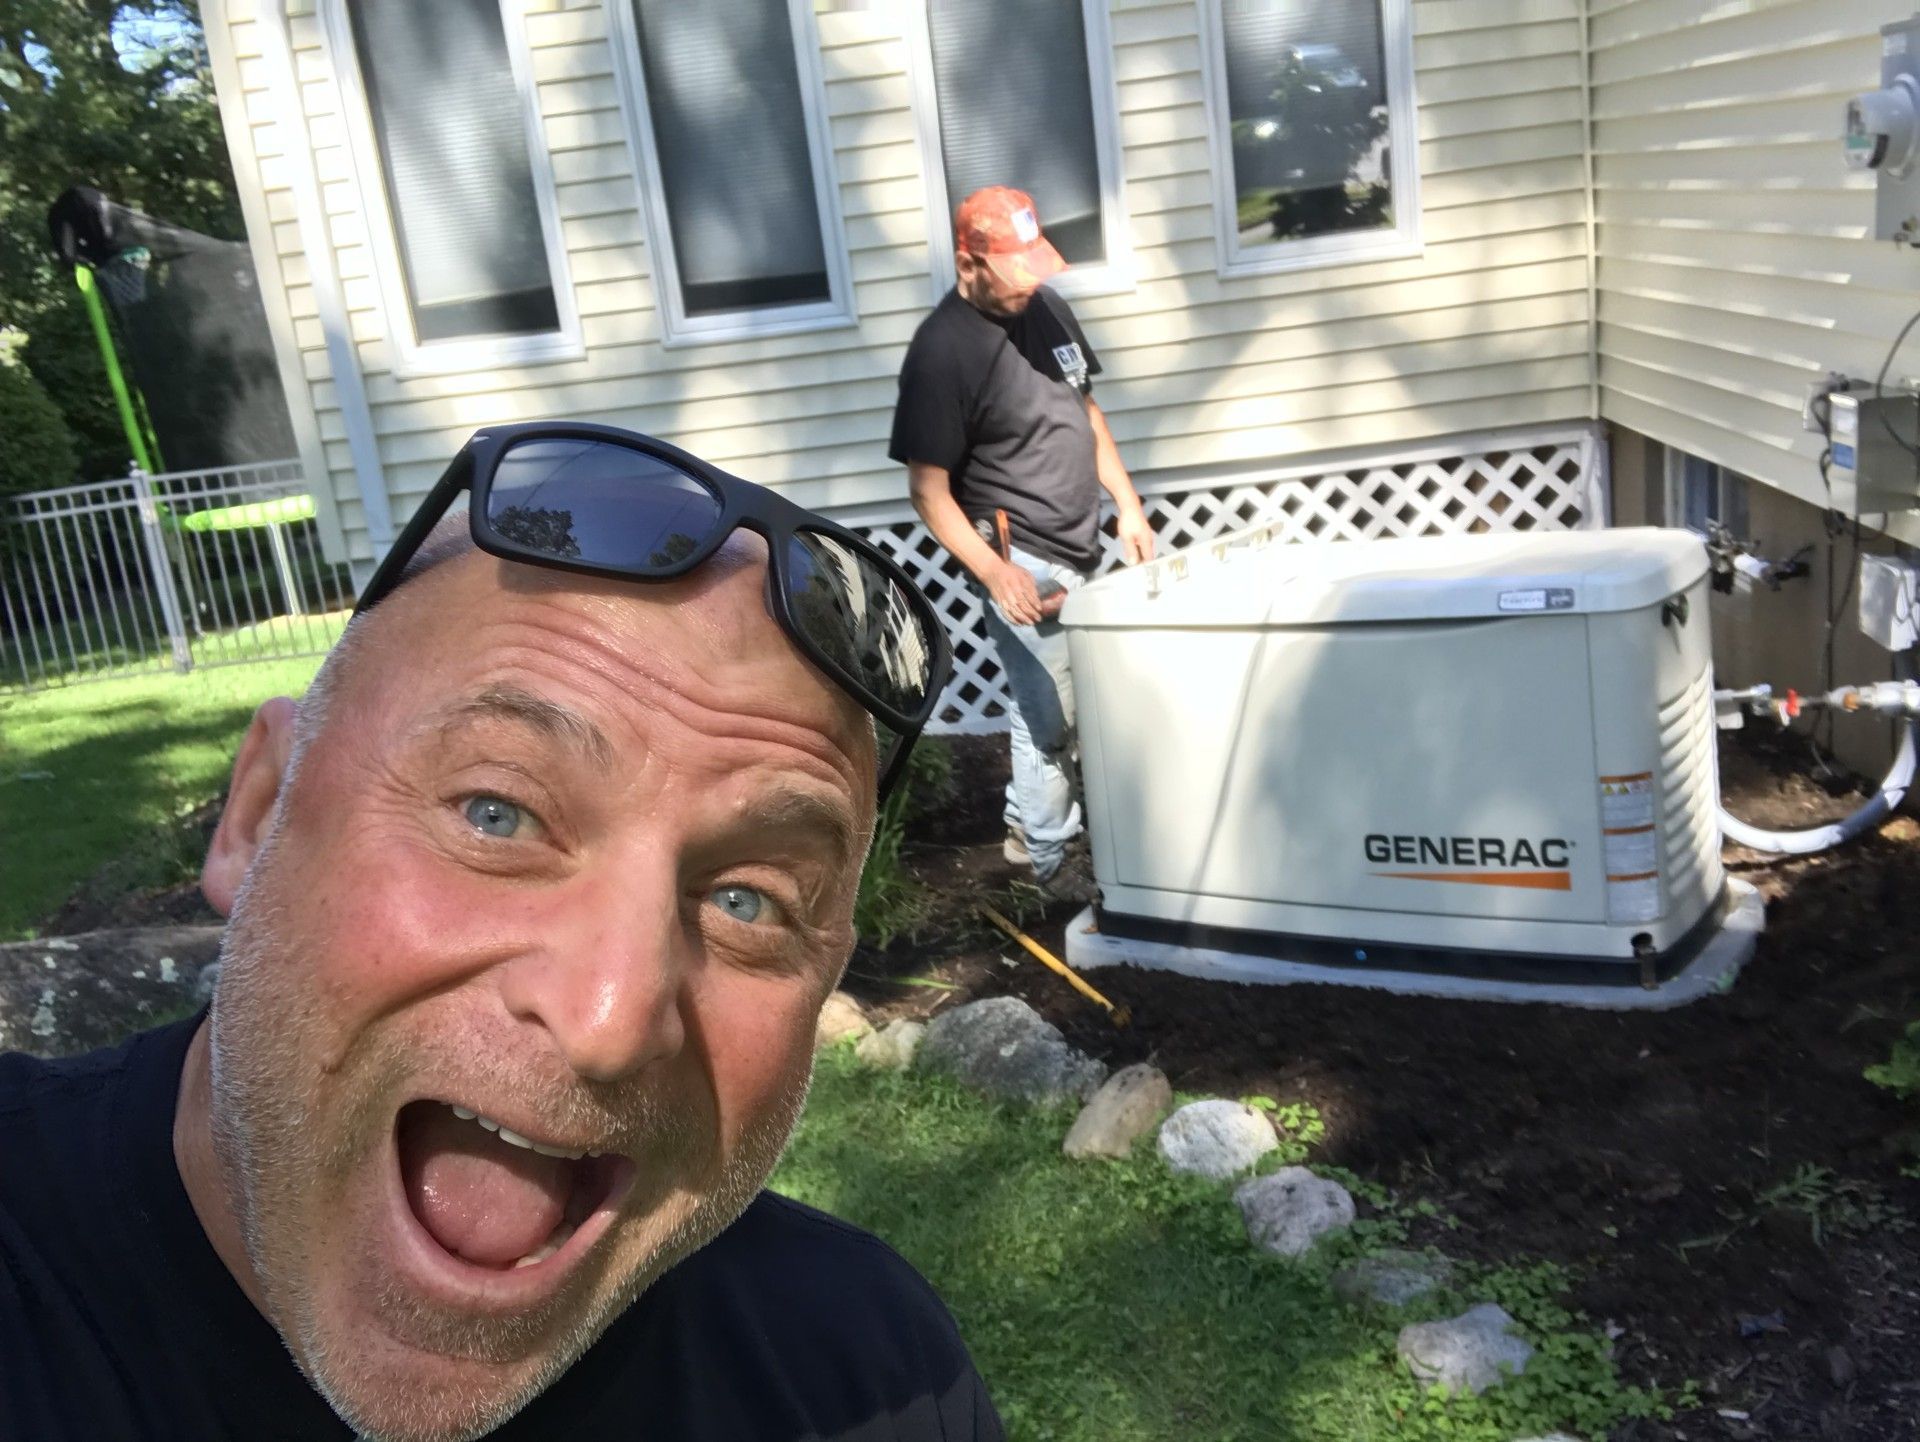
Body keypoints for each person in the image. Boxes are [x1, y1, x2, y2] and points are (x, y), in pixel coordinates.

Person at [0, 423, 1000, 1441]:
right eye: (497, 812)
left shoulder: (871, 1380)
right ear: (257, 810)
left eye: (748, 899)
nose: (608, 1017)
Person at [889, 186, 1154, 899]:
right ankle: (1050, 866)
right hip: (1021, 553)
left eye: (1033, 271)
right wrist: (990, 569)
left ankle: (1022, 826)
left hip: (1087, 538)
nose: (1025, 291)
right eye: (1012, 277)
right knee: (1050, 716)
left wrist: (1127, 506)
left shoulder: (1046, 306)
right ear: (966, 261)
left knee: (1079, 700)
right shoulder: (942, 353)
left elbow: (1086, 411)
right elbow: (928, 491)